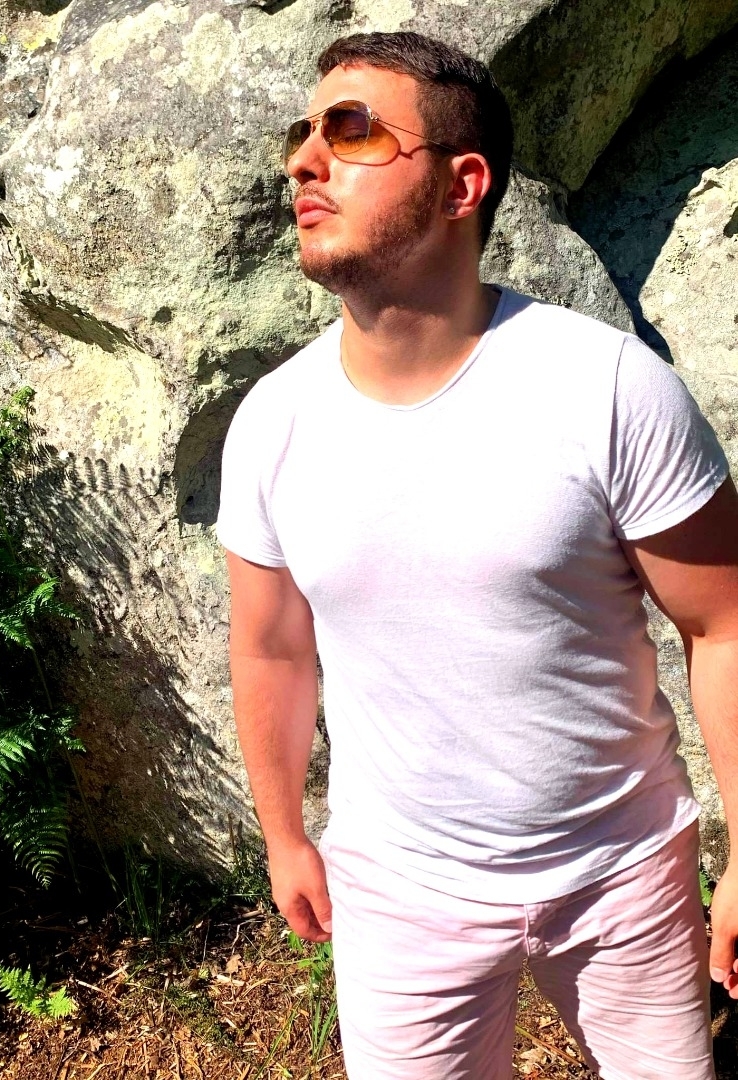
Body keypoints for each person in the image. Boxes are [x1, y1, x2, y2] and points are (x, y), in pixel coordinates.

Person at [216, 30, 738, 1079]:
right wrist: (283, 835)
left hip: (621, 874)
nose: (305, 162)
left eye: (351, 131)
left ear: (463, 185)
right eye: (302, 136)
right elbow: (271, 648)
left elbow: (723, 623)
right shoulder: (272, 423)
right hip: (398, 894)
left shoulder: (609, 389)